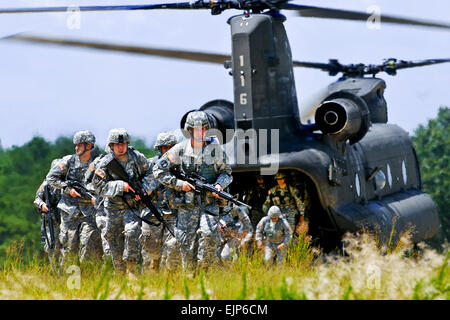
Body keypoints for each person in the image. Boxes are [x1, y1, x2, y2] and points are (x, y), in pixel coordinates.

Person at [153, 111, 233, 271]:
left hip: (209, 204)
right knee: (186, 243)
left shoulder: (215, 150)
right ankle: (190, 277)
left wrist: (219, 185)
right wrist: (179, 183)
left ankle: (204, 272)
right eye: (196, 129)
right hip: (186, 205)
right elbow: (158, 170)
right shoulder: (179, 150)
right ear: (189, 130)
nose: (200, 132)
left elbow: (227, 173)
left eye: (203, 129)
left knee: (209, 234)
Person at [92, 128, 154, 278]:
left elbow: (151, 174)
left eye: (123, 144)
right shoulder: (105, 163)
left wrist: (144, 190)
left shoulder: (137, 158)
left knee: (132, 232)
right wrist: (120, 186)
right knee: (114, 240)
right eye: (117, 145)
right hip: (113, 208)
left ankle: (132, 270)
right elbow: (98, 186)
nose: (121, 147)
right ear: (111, 146)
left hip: (132, 207)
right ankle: (119, 273)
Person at [46, 130, 102, 264]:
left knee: (88, 245)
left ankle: (88, 280)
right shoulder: (68, 161)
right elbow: (51, 178)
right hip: (69, 212)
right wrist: (67, 188)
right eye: (75, 145)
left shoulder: (99, 163)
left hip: (89, 212)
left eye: (80, 145)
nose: (76, 148)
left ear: (88, 146)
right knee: (70, 248)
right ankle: (71, 282)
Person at [140, 131, 178, 272]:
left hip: (174, 213)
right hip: (152, 212)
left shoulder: (182, 166)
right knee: (150, 249)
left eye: (171, 147)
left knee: (174, 247)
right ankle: (152, 272)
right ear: (160, 149)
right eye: (165, 148)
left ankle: (170, 279)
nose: (168, 151)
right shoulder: (149, 165)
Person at [34, 158, 62, 266]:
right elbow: (37, 199)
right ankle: (56, 272)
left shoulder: (66, 184)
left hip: (66, 221)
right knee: (51, 246)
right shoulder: (46, 184)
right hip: (52, 220)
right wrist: (42, 205)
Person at [262, 172, 308, 237]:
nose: (280, 181)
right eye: (278, 179)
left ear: (284, 179)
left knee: (290, 234)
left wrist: (302, 216)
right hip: (278, 215)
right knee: (278, 234)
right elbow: (266, 203)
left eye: (281, 179)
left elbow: (300, 203)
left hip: (290, 214)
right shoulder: (272, 190)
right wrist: (267, 214)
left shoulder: (292, 190)